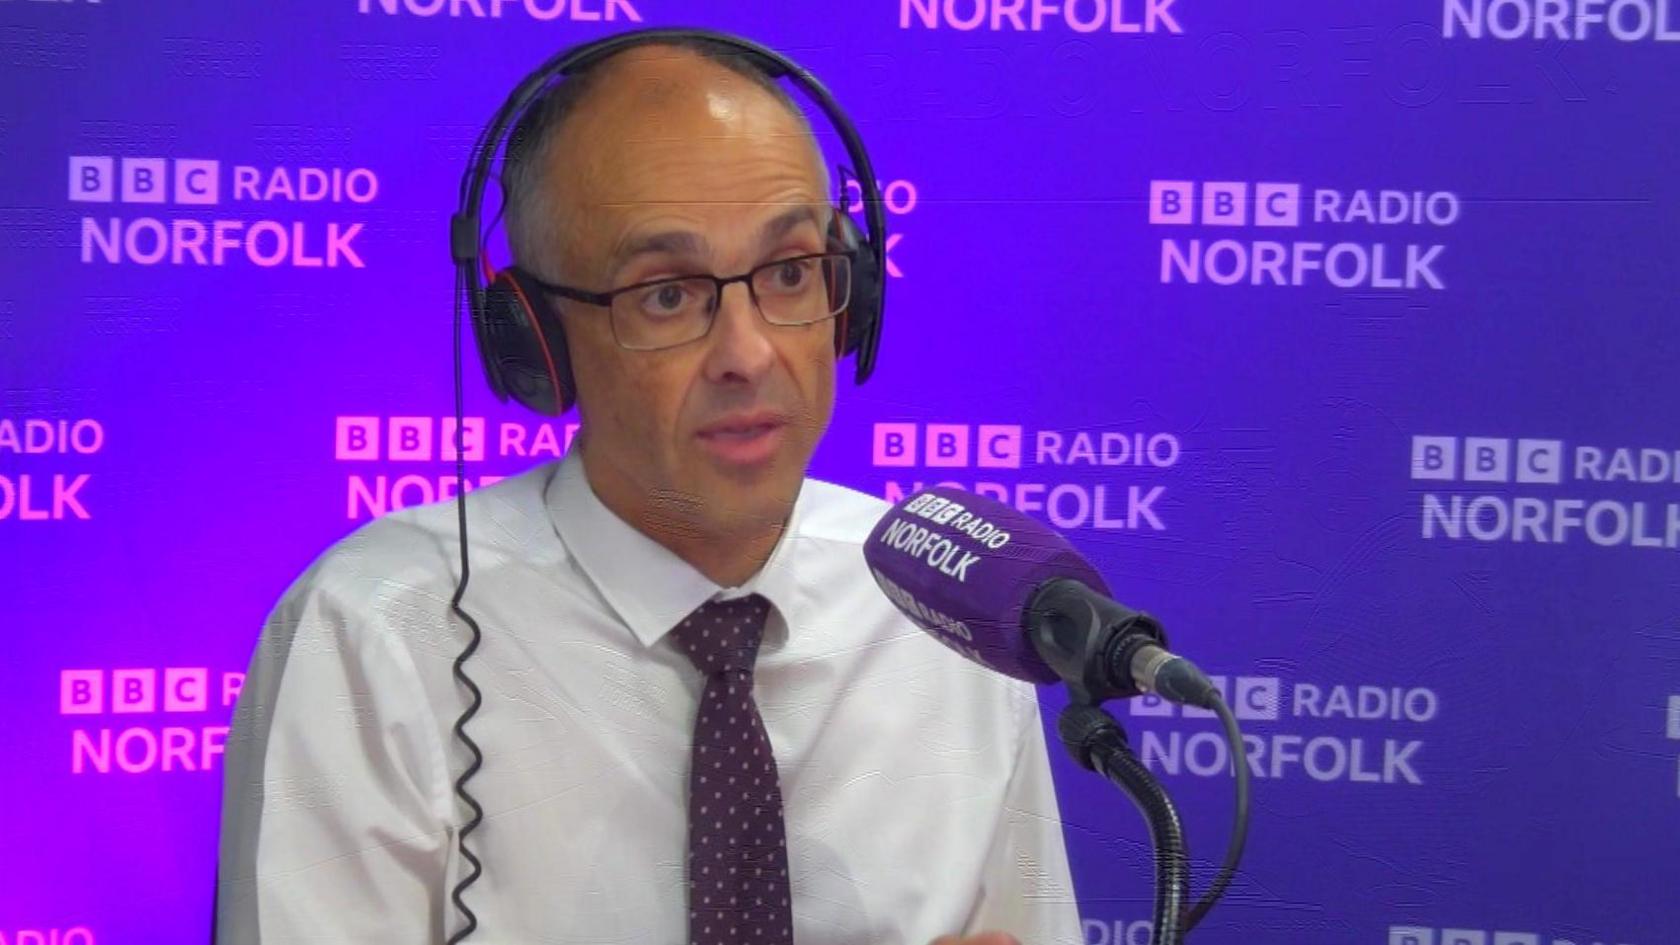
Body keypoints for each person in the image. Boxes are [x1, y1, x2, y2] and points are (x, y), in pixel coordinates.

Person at [215, 35, 1083, 945]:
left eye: (790, 273)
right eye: (666, 294)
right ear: (538, 340)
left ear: (853, 292)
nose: (750, 355)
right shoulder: (375, 633)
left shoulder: (943, 606)